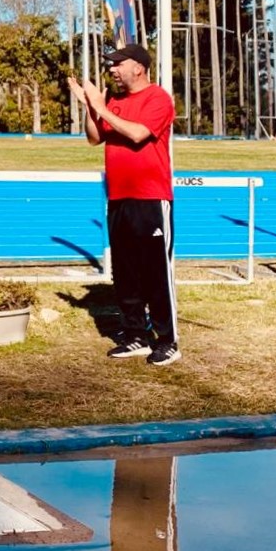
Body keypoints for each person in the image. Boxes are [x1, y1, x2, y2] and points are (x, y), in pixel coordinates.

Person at [67, 44, 179, 366]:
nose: (113, 69)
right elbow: (93, 138)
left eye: (118, 64)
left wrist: (101, 107)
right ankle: (135, 336)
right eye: (111, 65)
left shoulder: (158, 99)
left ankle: (167, 340)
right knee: (126, 273)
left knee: (156, 274)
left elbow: (137, 134)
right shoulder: (113, 101)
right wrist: (91, 107)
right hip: (118, 198)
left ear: (139, 68)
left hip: (151, 199)